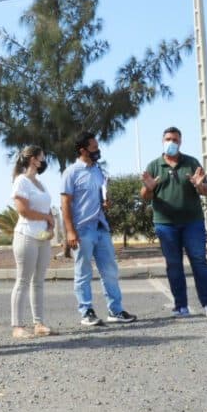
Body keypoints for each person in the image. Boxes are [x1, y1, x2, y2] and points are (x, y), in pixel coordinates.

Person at [140, 127, 207, 318]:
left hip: (192, 222)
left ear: (180, 142)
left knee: (199, 261)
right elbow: (144, 196)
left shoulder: (191, 163)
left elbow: (206, 191)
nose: (171, 142)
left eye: (174, 140)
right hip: (165, 224)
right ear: (162, 141)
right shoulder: (154, 166)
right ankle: (180, 306)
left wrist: (200, 185)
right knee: (173, 264)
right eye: (168, 139)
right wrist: (149, 188)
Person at [61, 131, 137, 326]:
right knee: (83, 271)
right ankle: (86, 312)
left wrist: (106, 202)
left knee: (110, 270)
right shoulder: (71, 172)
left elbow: (101, 196)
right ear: (82, 150)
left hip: (101, 228)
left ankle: (116, 310)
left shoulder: (99, 171)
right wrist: (70, 231)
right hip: (82, 229)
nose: (98, 151)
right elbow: (65, 204)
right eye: (94, 148)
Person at [10, 145, 56, 339]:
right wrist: (46, 218)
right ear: (32, 160)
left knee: (38, 282)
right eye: (42, 157)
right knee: (23, 281)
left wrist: (51, 225)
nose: (44, 161)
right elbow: (23, 210)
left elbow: (47, 208)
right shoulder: (21, 181)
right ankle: (17, 327)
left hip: (42, 238)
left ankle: (39, 323)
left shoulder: (40, 183)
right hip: (26, 236)